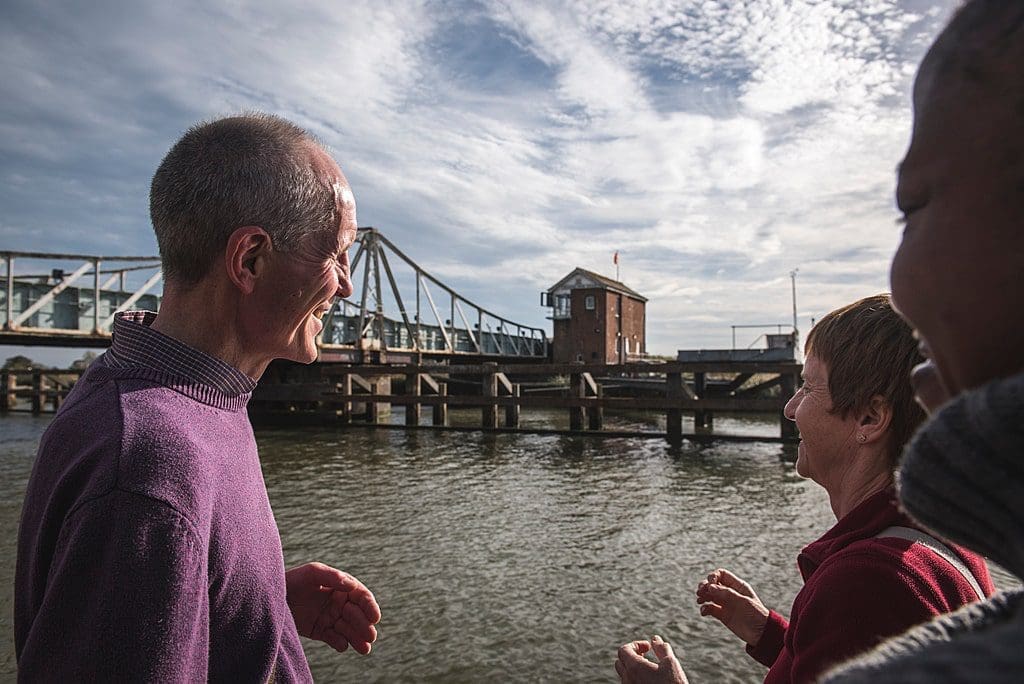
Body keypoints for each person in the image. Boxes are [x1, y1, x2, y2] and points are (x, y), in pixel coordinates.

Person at [15, 114, 381, 681]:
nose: (346, 284)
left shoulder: (191, 403)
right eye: (335, 254)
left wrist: (256, 607)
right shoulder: (149, 466)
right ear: (250, 259)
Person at [615, 295, 994, 684]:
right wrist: (771, 635)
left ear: (870, 417)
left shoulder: (867, 584)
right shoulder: (943, 542)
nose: (790, 408)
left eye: (808, 388)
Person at [823, 1, 1024, 681]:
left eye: (910, 207)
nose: (898, 287)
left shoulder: (871, 580)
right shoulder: (954, 549)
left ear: (870, 417)